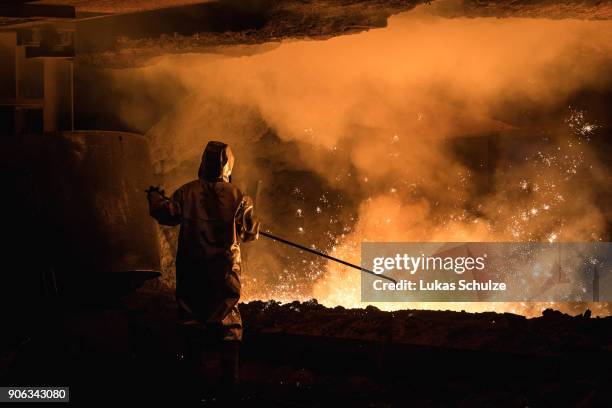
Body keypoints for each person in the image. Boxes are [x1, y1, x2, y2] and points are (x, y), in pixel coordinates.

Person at [146, 141, 259, 397]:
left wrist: (154, 197)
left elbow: (166, 214)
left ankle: (192, 385)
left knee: (191, 323)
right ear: (227, 164)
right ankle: (229, 386)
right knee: (228, 324)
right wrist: (249, 222)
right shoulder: (238, 195)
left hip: (192, 270)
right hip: (224, 272)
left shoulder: (187, 192)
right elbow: (249, 233)